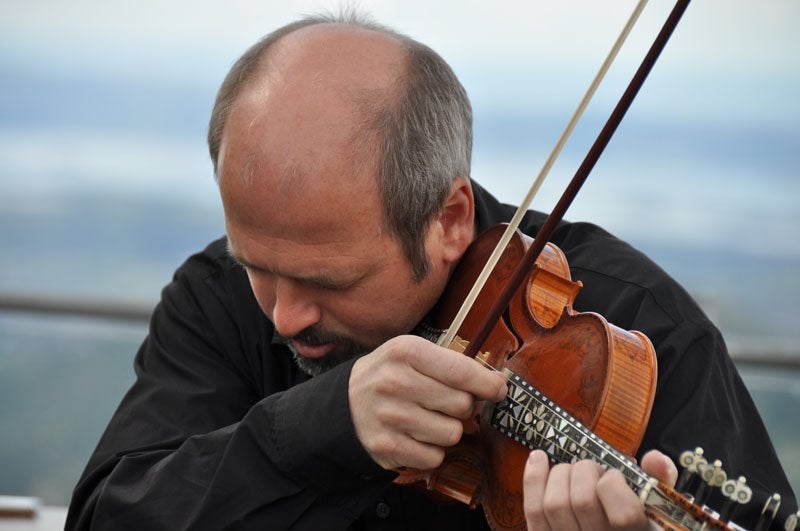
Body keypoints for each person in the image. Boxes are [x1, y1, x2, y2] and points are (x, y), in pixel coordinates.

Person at [66, 11, 796, 531]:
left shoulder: (642, 328)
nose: (283, 315)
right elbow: (110, 514)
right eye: (259, 265)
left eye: (329, 280)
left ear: (448, 219)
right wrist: (322, 428)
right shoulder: (218, 294)